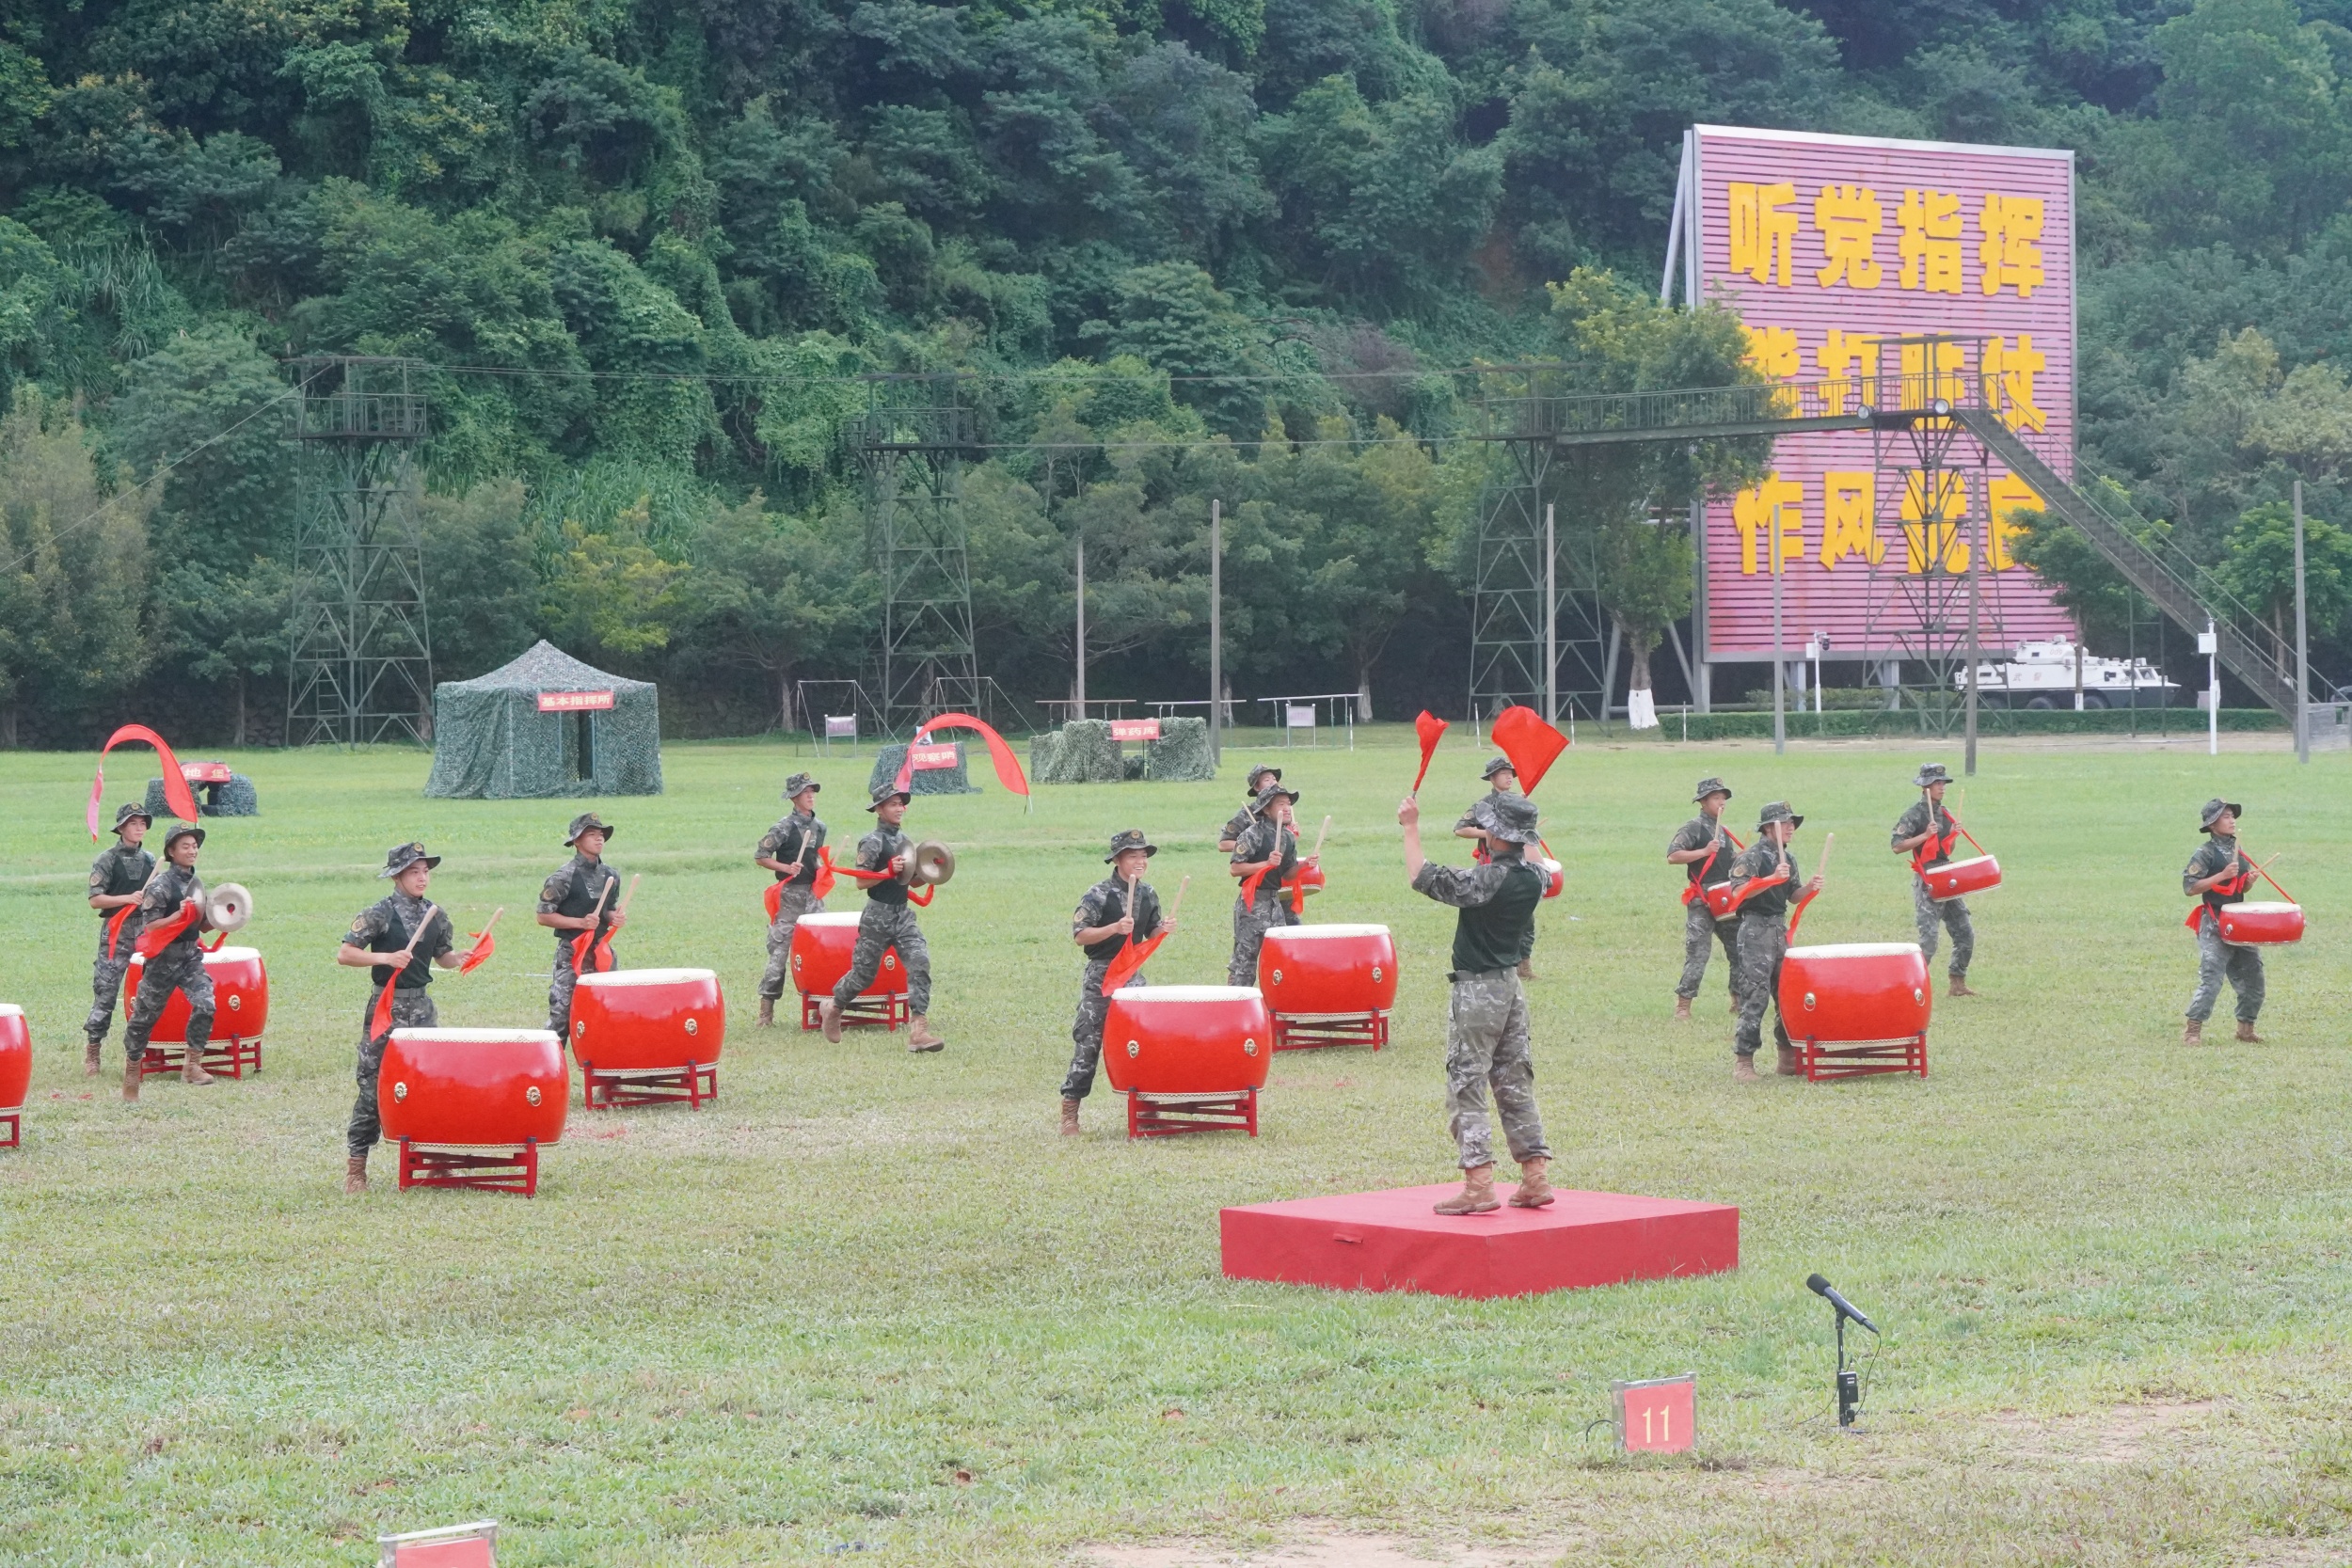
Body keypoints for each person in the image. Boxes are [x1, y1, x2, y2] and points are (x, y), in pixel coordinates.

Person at [1399, 790, 1553, 1216]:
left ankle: (1479, 1184)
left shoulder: (1487, 880)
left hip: (1477, 990)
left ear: (1496, 834)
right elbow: (1542, 866)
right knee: (1514, 1081)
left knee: (1467, 1083)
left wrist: (1411, 826)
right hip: (1510, 989)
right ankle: (1535, 1176)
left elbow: (1422, 876)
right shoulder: (1535, 877)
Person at [336, 842, 460, 1194]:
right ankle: (356, 1168)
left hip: (421, 1009)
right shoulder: (379, 913)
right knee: (373, 1088)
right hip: (385, 1009)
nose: (422, 878)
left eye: (425, 871)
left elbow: (444, 956)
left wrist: (461, 957)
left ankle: (435, 1162)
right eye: (413, 872)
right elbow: (345, 954)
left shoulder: (436, 914)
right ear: (396, 876)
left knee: (429, 1085)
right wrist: (385, 959)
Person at [1059, 829, 1170, 1135]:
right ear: (1118, 860)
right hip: (1102, 975)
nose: (1140, 861)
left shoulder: (1148, 893)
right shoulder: (1098, 894)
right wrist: (1114, 928)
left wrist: (1164, 928)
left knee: (1146, 1040)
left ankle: (1149, 1109)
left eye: (1143, 855)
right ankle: (1070, 1114)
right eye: (1133, 855)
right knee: (1089, 1042)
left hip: (1132, 974)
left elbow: (1151, 933)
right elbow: (1080, 935)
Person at [818, 784, 945, 1052]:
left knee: (920, 961)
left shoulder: (905, 840)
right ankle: (834, 1006)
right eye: (893, 804)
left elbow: (911, 883)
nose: (899, 809)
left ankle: (919, 1031)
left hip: (903, 916)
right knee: (864, 976)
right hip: (878, 916)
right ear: (879, 808)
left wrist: (933, 870)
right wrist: (888, 870)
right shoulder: (871, 841)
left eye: (901, 804)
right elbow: (861, 881)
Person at [119, 822, 218, 1100]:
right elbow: (150, 927)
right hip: (163, 960)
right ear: (172, 852)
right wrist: (178, 915)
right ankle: (131, 1072)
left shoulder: (196, 884)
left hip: (189, 956)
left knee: (206, 1004)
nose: (192, 850)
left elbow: (200, 926)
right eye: (185, 846)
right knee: (143, 1021)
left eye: (195, 846)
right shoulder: (161, 885)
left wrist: (222, 918)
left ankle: (193, 1065)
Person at [1728, 800, 1822, 1083]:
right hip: (1755, 930)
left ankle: (1787, 1057)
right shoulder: (1751, 857)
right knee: (1754, 997)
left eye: (1793, 822)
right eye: (1786, 822)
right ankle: (1744, 1062)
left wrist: (1809, 888)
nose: (1792, 826)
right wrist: (1770, 879)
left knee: (1787, 995)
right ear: (1770, 828)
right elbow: (1737, 894)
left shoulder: (1788, 859)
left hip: (1779, 931)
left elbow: (1792, 895)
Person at [536, 813, 624, 1044]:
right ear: (577, 841)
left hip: (600, 952)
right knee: (561, 1016)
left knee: (608, 1012)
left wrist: (613, 916)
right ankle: (550, 1070)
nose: (599, 839)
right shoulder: (563, 877)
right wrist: (580, 923)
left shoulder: (611, 875)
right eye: (592, 835)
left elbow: (608, 908)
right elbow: (543, 916)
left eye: (601, 835)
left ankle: (606, 1073)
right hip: (572, 953)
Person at [2183, 799, 2265, 1045]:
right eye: (2226, 816)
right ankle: (2192, 1031)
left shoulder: (2238, 851)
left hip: (2240, 924)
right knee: (2212, 979)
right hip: (2214, 923)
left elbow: (2237, 889)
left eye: (2232, 816)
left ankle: (2245, 1029)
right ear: (2212, 824)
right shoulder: (2204, 853)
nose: (2232, 820)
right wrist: (2221, 875)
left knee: (2254, 978)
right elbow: (2190, 887)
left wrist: (2248, 882)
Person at [1891, 762, 1977, 998]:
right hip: (1926, 878)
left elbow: (1945, 850)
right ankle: (1909, 987)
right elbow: (1897, 846)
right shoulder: (1913, 815)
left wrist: (1953, 833)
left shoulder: (1946, 813)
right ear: (1926, 787)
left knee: (1965, 932)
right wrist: (1924, 835)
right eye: (1937, 783)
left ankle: (1957, 983)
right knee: (1928, 941)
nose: (1942, 787)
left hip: (1947, 876)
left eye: (1943, 783)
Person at [84, 802, 155, 1076]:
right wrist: (127, 898)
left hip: (144, 932)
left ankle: (142, 1052)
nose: (139, 828)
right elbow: (95, 900)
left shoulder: (151, 860)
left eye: (142, 823)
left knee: (149, 994)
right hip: (117, 931)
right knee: (106, 992)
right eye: (133, 823)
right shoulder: (107, 860)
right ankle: (93, 1050)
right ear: (122, 828)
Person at [754, 772, 827, 1027]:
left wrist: (821, 869)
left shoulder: (820, 827)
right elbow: (761, 855)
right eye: (806, 791)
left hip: (812, 897)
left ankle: (819, 1008)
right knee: (779, 953)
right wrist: (786, 868)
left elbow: (814, 856)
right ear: (794, 797)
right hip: (789, 897)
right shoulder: (783, 827)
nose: (811, 795)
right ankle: (766, 1013)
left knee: (819, 953)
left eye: (812, 791)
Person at [1666, 778, 1740, 1022]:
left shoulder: (1724, 831)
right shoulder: (1693, 828)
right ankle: (1683, 1005)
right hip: (1702, 899)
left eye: (1723, 798)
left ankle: (1737, 1000)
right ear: (1703, 801)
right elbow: (1673, 855)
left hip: (1726, 899)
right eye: (1716, 798)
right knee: (1698, 952)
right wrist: (1704, 852)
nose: (1721, 803)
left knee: (1738, 950)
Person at [1457, 756, 1536, 980]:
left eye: (1510, 772)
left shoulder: (1518, 802)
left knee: (1524, 918)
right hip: (1490, 865)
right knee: (1486, 917)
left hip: (1517, 864)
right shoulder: (1484, 805)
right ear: (1492, 778)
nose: (1509, 776)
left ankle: (1524, 966)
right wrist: (1490, 832)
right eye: (1503, 773)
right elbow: (1460, 829)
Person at [1228, 780, 1306, 986]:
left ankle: (1274, 1005)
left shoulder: (1288, 838)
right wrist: (1265, 864)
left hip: (1275, 902)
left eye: (1288, 803)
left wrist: (1305, 866)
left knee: (1278, 957)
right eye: (1280, 804)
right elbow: (1235, 869)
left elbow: (1288, 875)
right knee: (1245, 960)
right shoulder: (1252, 834)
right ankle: (1237, 1003)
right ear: (1267, 809)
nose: (1287, 808)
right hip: (1252, 903)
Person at [1216, 764, 1284, 852]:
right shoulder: (1247, 814)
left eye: (1274, 779)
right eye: (1267, 780)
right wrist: (1251, 844)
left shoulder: (1283, 811)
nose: (1273, 783)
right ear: (1256, 787)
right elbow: (1223, 845)